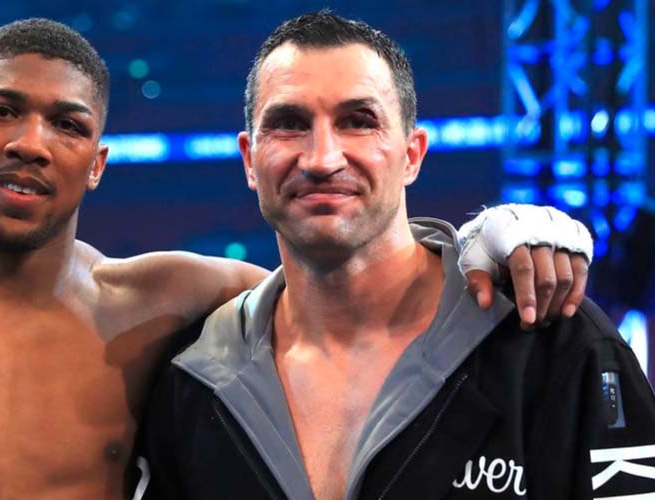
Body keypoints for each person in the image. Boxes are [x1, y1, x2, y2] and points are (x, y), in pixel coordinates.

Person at [0, 18, 592, 500]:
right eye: (3, 111)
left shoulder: (165, 303)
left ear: (98, 162)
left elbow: (350, 283)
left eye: (68, 124)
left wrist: (495, 237)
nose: (31, 142)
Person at [139, 11, 655, 500]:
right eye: (290, 123)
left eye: (358, 121)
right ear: (250, 160)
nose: (322, 159)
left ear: (412, 154)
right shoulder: (193, 381)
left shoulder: (554, 341)